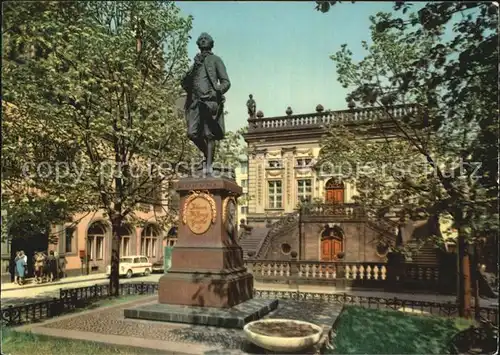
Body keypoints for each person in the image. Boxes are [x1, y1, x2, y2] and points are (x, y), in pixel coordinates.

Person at [181, 32, 231, 176]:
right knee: (192, 133)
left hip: (209, 101)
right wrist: (193, 68)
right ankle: (208, 157)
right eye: (201, 39)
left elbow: (226, 82)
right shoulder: (195, 63)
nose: (203, 41)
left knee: (209, 134)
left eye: (206, 39)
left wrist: (216, 93)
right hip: (194, 102)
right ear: (198, 43)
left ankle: (208, 166)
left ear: (211, 43)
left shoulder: (215, 60)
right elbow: (184, 83)